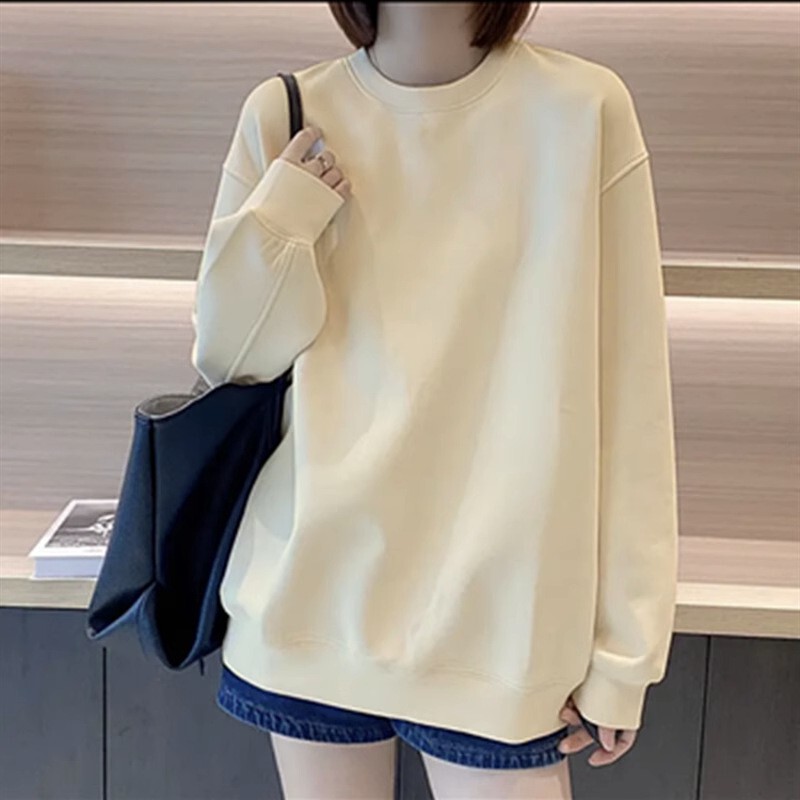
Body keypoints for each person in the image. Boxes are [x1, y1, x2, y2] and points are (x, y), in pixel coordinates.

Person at [190, 2, 679, 798]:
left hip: (504, 634)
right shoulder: (288, 113)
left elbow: (632, 398)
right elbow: (229, 358)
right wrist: (285, 215)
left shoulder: (584, 111)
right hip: (309, 605)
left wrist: (626, 649)